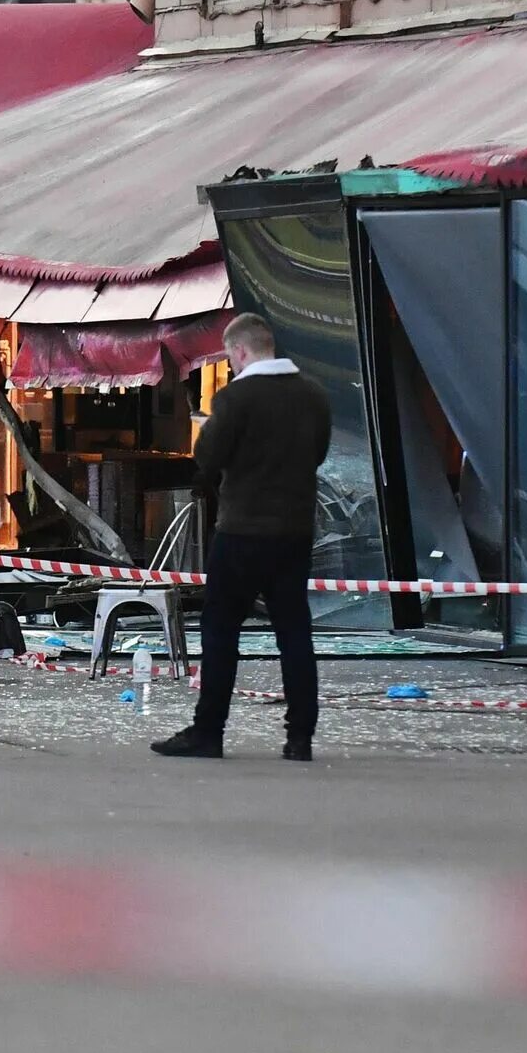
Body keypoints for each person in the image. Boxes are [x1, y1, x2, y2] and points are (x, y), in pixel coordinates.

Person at [151, 313, 332, 762]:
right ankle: (299, 739)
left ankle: (208, 732)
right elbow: (319, 453)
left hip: (241, 532)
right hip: (294, 533)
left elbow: (207, 456)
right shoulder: (313, 396)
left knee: (221, 631)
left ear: (239, 351)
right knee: (294, 632)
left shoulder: (236, 398)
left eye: (230, 357)